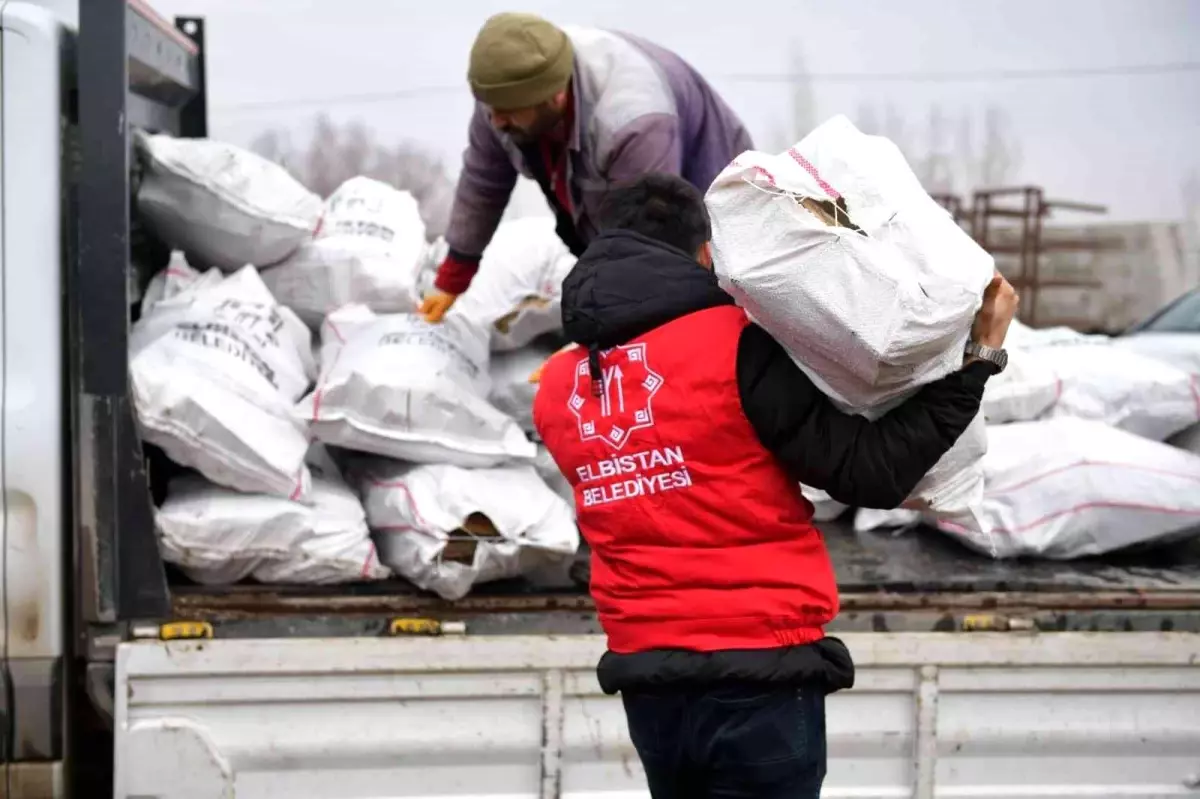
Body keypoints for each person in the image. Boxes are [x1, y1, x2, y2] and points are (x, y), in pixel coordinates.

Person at [531, 173, 1018, 798]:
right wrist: (979, 358)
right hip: (759, 676)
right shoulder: (733, 346)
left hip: (648, 683)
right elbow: (871, 470)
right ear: (705, 253)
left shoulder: (558, 386)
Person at [418, 12, 753, 323]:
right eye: (490, 108)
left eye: (507, 111)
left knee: (707, 315)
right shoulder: (503, 96)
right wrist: (453, 278)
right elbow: (484, 183)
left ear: (556, 98)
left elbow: (647, 249)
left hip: (714, 201)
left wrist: (594, 341)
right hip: (630, 214)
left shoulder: (631, 121)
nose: (495, 120)